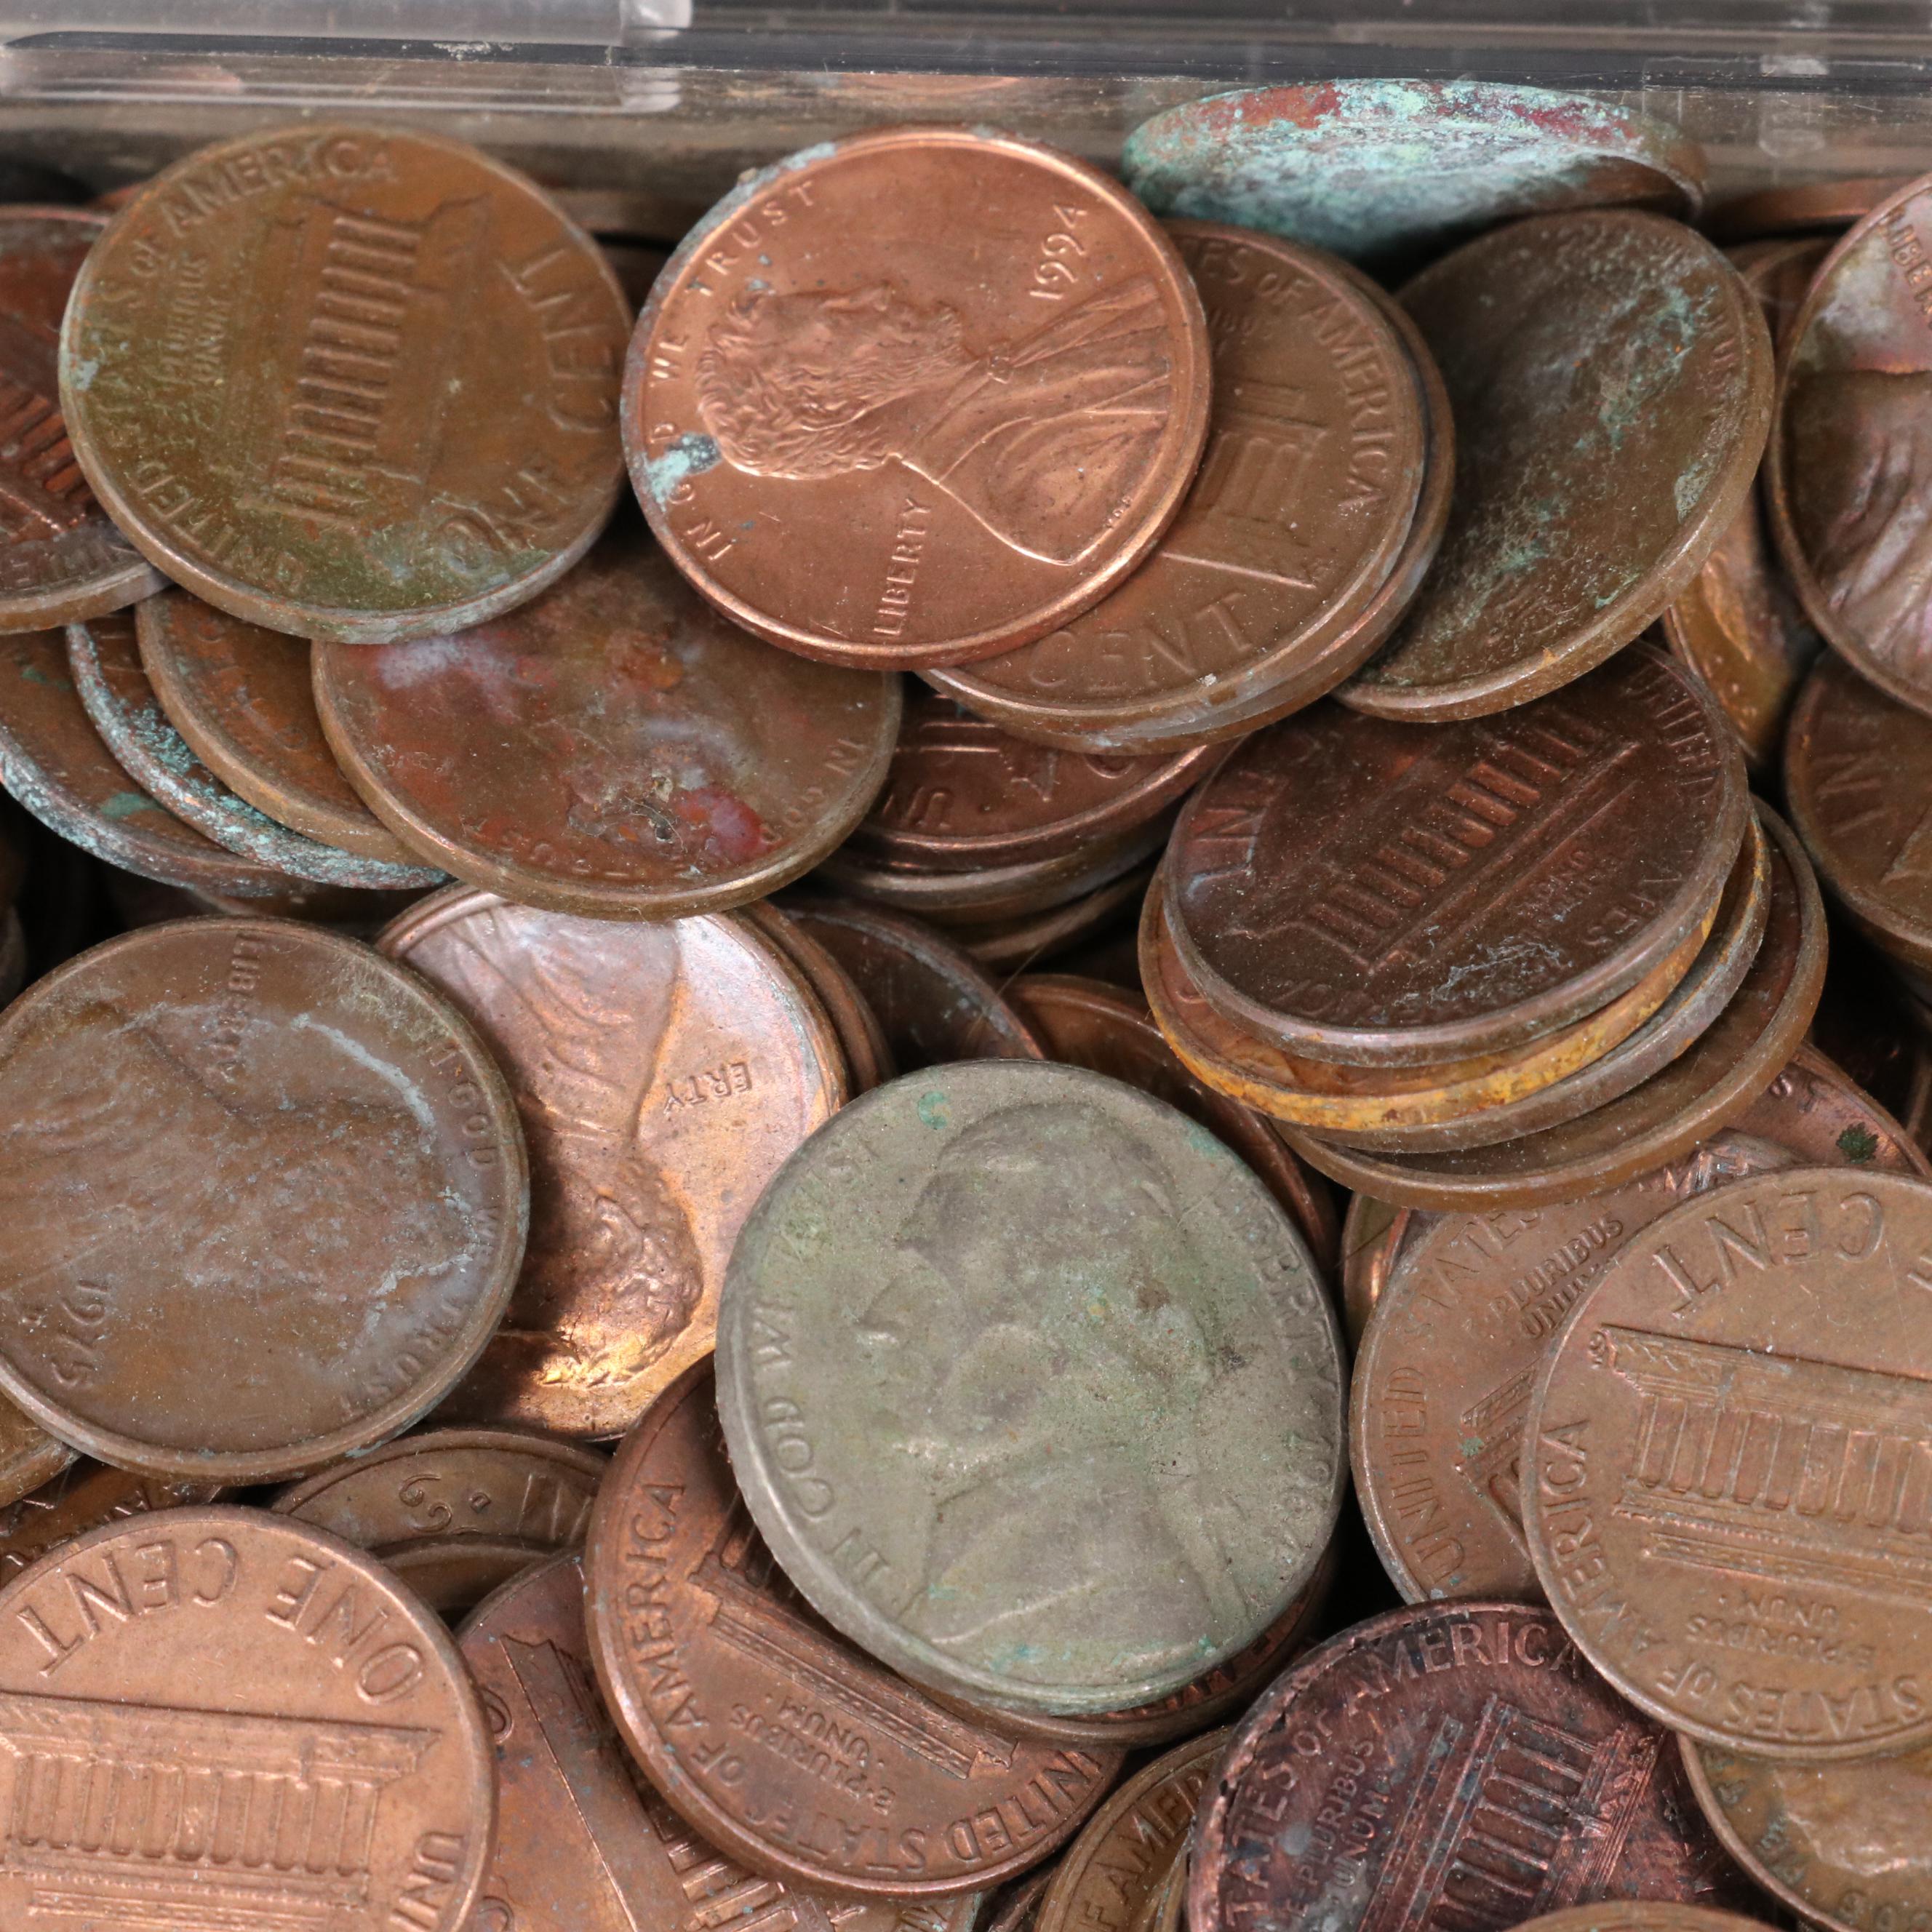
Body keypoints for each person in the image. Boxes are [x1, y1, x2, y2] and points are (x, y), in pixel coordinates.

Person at [855, 1099, 1258, 1685]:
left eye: (931, 1281)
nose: (874, 1322)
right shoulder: (981, 1564)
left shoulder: (1127, 1612)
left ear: (1047, 1336)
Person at [695, 279, 1176, 567]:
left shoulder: (1028, 354)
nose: (874, 292)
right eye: (839, 319)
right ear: (826, 402)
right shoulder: (1034, 499)